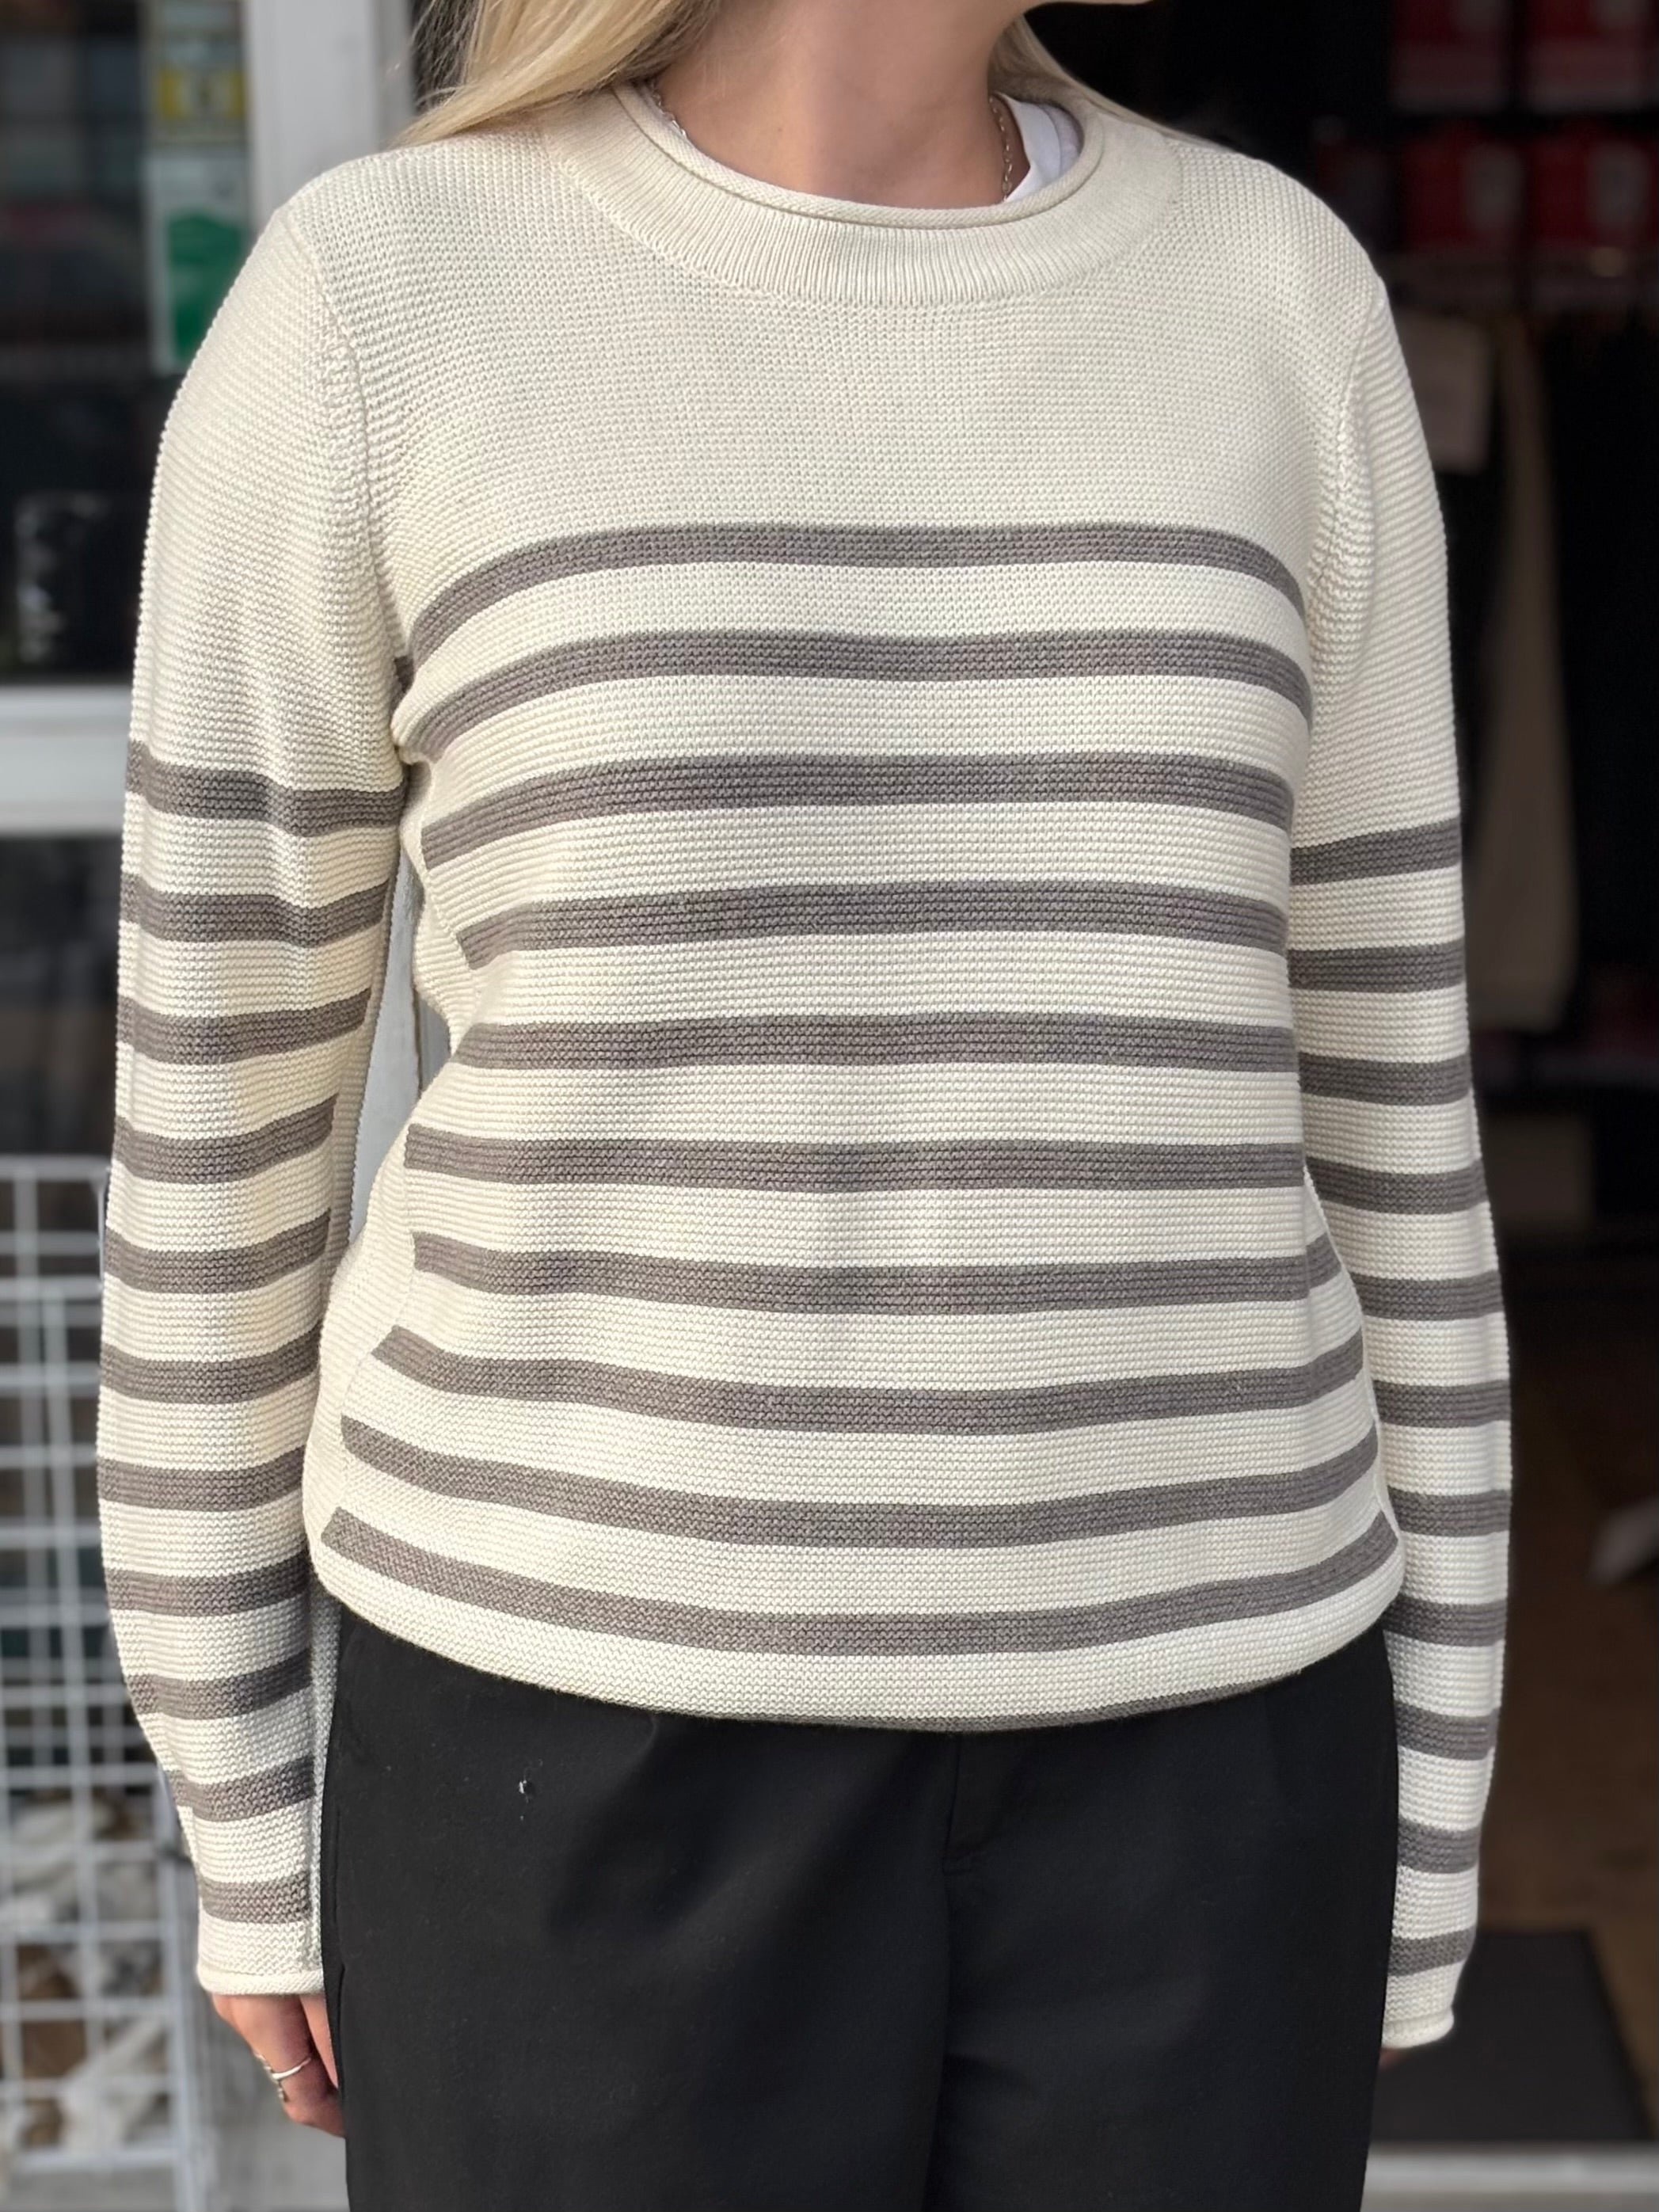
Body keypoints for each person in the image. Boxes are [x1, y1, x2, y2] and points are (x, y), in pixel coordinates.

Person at [94, 0, 1513, 2204]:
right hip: (572, 1748)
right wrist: (241, 1791)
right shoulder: (381, 302)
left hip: (1213, 1732)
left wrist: (1431, 1812)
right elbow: (219, 1118)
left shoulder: (1273, 291)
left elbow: (1393, 1103)